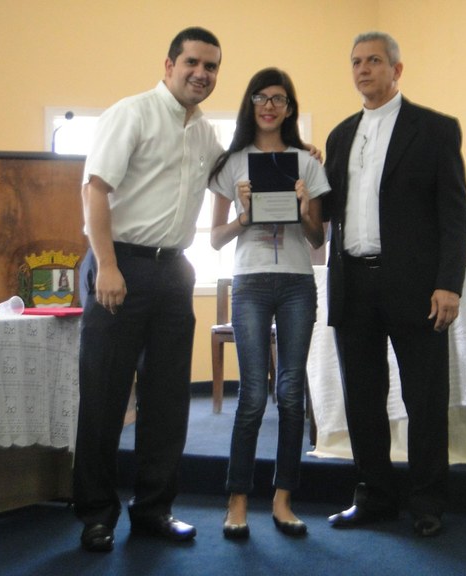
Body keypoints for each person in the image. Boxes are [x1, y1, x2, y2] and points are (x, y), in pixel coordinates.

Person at [73, 27, 223, 553]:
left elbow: (237, 174)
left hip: (174, 272)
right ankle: (96, 514)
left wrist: (295, 156)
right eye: (192, 62)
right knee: (105, 397)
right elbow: (95, 191)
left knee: (167, 402)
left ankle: (154, 509)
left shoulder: (205, 133)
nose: (201, 73)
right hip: (120, 267)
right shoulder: (131, 113)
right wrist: (108, 266)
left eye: (210, 66)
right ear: (169, 65)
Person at [322, 31, 466, 537]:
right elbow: (329, 208)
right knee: (363, 399)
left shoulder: (435, 129)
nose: (363, 70)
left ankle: (427, 502)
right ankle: (375, 497)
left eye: (374, 61)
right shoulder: (341, 136)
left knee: (424, 400)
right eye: (356, 62)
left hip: (417, 287)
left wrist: (449, 283)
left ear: (397, 69)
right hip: (353, 284)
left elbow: (455, 216)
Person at [209, 68, 329, 540]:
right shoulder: (232, 163)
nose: (269, 106)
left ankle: (283, 498)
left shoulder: (307, 162)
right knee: (254, 394)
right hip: (251, 283)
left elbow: (317, 239)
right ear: (250, 103)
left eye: (279, 98)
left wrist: (303, 210)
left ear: (290, 108)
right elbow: (216, 239)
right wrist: (243, 216)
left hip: (298, 282)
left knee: (292, 392)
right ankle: (237, 499)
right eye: (261, 97)